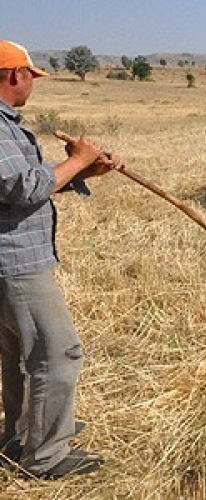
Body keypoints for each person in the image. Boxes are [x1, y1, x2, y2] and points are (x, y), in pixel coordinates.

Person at [0, 40, 123, 479]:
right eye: (31, 74)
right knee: (58, 352)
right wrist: (79, 159)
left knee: (20, 355)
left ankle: (24, 434)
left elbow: (24, 187)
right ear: (16, 75)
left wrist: (82, 171)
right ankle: (46, 456)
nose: (32, 83)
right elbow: (22, 188)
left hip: (13, 258)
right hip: (15, 261)